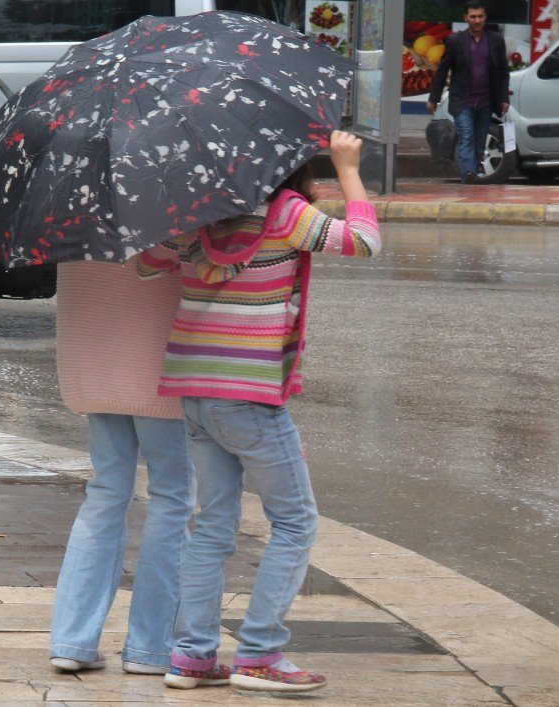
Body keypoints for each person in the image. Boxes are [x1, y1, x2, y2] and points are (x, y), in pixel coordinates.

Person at [137, 130, 382, 693]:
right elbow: (364, 241)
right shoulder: (287, 213)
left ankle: (193, 655)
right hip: (249, 396)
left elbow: (148, 264)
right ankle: (260, 654)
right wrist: (347, 168)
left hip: (195, 392)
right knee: (295, 521)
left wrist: (179, 212)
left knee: (213, 526)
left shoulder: (202, 215)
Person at [48, 260, 195, 675]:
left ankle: (72, 640)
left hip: (92, 359)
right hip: (159, 358)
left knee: (107, 489)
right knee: (172, 495)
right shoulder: (175, 199)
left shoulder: (72, 201)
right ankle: (152, 647)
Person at [426, 1, 510, 183]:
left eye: (480, 16)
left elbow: (503, 72)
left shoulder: (495, 41)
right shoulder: (455, 41)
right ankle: (468, 174)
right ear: (466, 18)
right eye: (473, 17)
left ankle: (473, 169)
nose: (477, 20)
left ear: (485, 17)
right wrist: (434, 97)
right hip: (463, 99)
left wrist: (503, 98)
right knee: (466, 135)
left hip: (487, 100)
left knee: (480, 139)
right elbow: (442, 71)